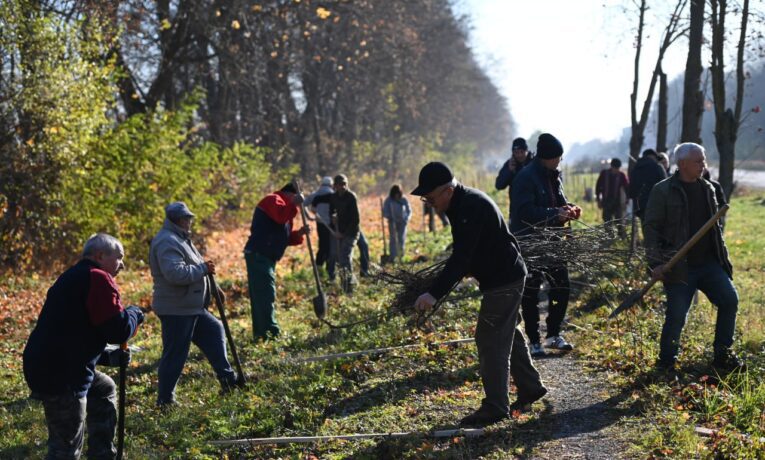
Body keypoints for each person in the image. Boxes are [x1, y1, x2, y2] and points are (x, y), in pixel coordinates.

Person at [412, 162, 546, 427]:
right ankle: (530, 387)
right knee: (508, 333)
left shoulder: (469, 206)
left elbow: (461, 257)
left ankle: (496, 406)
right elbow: (469, 249)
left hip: (504, 279)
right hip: (504, 275)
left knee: (490, 338)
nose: (428, 203)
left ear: (447, 191)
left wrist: (433, 293)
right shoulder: (459, 204)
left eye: (430, 197)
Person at [23, 233, 144, 459]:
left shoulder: (72, 276)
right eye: (119, 257)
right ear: (100, 256)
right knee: (66, 447)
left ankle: (102, 453)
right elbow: (118, 331)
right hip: (62, 373)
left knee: (104, 388)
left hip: (49, 362)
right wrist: (135, 313)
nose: (123, 264)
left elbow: (76, 332)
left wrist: (108, 358)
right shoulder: (97, 277)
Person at [644, 143, 742, 372]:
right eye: (699, 161)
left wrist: (722, 257)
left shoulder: (708, 188)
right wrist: (656, 263)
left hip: (709, 263)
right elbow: (651, 228)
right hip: (679, 266)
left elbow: (715, 229)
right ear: (683, 164)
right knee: (677, 316)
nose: (703, 165)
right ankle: (666, 363)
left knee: (730, 300)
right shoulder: (663, 190)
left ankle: (723, 355)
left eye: (704, 160)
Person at [150, 202, 241, 406]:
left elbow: (198, 268)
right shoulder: (167, 241)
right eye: (186, 218)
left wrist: (213, 289)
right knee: (175, 354)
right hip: (176, 308)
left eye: (189, 218)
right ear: (177, 220)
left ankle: (228, 380)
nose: (189, 222)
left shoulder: (181, 239)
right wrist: (202, 269)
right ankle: (165, 401)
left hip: (191, 307)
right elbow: (175, 274)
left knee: (214, 330)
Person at [510, 133, 582, 356]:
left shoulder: (554, 176)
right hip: (531, 242)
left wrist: (568, 209)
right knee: (530, 292)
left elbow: (558, 202)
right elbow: (523, 213)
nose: (560, 161)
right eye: (558, 157)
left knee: (562, 286)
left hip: (554, 242)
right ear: (547, 157)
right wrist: (555, 214)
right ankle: (533, 341)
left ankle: (553, 334)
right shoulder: (525, 178)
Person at [243, 186, 309, 340]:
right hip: (259, 255)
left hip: (265, 256)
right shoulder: (273, 200)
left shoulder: (285, 207)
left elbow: (281, 237)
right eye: (296, 199)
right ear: (291, 195)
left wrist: (298, 234)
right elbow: (280, 217)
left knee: (262, 295)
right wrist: (293, 204)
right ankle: (270, 333)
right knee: (266, 294)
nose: (298, 205)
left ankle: (261, 334)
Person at [312, 174, 361, 292]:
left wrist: (344, 234)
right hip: (337, 230)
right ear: (335, 186)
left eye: (344, 184)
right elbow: (331, 212)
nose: (342, 187)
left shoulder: (351, 197)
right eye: (340, 184)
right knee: (334, 255)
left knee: (345, 256)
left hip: (351, 232)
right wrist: (334, 224)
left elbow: (355, 219)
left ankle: (348, 285)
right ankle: (336, 280)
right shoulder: (333, 197)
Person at [306, 177, 337, 280]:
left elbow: (302, 203)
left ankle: (319, 270)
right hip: (332, 225)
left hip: (321, 224)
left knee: (322, 246)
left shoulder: (315, 194)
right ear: (331, 185)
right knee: (331, 248)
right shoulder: (334, 194)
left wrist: (309, 216)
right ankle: (328, 271)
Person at [496, 137, 534, 216]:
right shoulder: (510, 164)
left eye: (522, 152)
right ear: (513, 152)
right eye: (516, 152)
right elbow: (499, 185)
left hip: (535, 209)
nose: (519, 155)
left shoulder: (535, 163)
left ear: (526, 151)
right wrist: (509, 171)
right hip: (516, 211)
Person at [628, 148, 667, 220]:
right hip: (657, 205)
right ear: (652, 156)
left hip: (640, 207)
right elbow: (665, 185)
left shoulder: (636, 168)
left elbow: (632, 189)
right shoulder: (657, 167)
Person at [595, 158, 629, 238]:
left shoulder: (621, 175)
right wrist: (598, 200)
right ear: (611, 167)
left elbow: (627, 187)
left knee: (619, 220)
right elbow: (598, 187)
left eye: (618, 168)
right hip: (606, 202)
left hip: (617, 202)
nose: (616, 170)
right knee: (607, 220)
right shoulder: (604, 174)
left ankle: (621, 236)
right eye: (615, 168)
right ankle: (609, 236)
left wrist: (627, 199)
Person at [382, 184, 412, 260]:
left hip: (402, 222)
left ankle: (401, 256)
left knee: (401, 238)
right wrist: (389, 217)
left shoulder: (404, 199)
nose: (396, 196)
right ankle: (393, 256)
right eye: (395, 194)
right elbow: (384, 211)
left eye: (398, 194)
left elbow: (409, 211)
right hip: (392, 222)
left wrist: (406, 219)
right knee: (393, 239)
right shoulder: (388, 200)